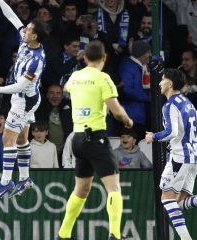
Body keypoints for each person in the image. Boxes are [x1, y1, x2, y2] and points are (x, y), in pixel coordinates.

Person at [57, 41, 133, 240]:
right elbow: (116, 110)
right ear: (105, 57)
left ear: (84, 58)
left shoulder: (76, 76)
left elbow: (66, 88)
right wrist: (127, 120)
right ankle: (115, 235)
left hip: (77, 139)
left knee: (81, 189)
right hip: (95, 138)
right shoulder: (103, 78)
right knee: (114, 188)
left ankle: (63, 234)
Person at [145, 68, 197, 240]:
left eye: (162, 79)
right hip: (194, 157)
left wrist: (154, 136)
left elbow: (171, 132)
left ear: (170, 84)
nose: (160, 83)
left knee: (167, 200)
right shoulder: (186, 101)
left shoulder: (169, 105)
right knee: (180, 203)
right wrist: (184, 139)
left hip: (180, 158)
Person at [0, 0, 47, 200]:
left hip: (23, 100)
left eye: (28, 29)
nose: (24, 29)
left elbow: (19, 86)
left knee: (7, 139)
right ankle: (25, 178)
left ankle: (5, 182)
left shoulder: (36, 60)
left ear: (34, 36)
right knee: (21, 139)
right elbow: (12, 17)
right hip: (30, 99)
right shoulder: (26, 39)